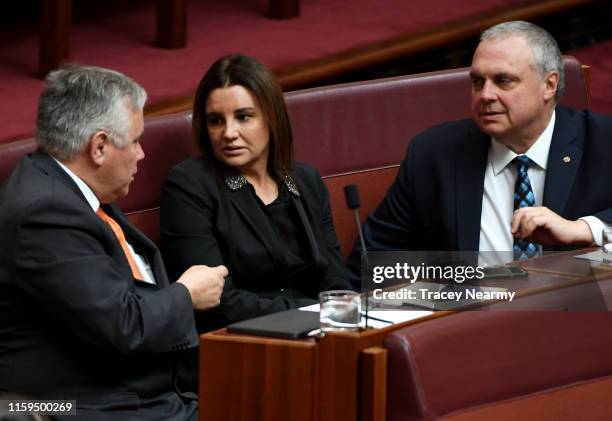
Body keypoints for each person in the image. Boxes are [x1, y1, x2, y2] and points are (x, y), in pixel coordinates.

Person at [0, 65, 227, 421]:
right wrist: (187, 294)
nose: (141, 154)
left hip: (138, 393)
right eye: (135, 141)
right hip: (80, 407)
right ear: (100, 146)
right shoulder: (43, 214)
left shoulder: (70, 190)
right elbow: (122, 324)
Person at [348, 21, 612, 289]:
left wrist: (585, 229)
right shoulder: (434, 154)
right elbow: (371, 264)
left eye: (503, 81)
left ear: (549, 85)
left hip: (579, 319)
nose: (485, 95)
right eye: (477, 82)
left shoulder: (602, 141)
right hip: (468, 321)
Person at [160, 54, 350, 332]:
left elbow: (334, 279)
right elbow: (218, 300)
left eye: (243, 117)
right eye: (215, 121)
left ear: (271, 119)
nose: (228, 133)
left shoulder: (305, 180)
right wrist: (317, 315)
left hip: (318, 332)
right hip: (241, 341)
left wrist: (342, 316)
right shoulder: (190, 185)